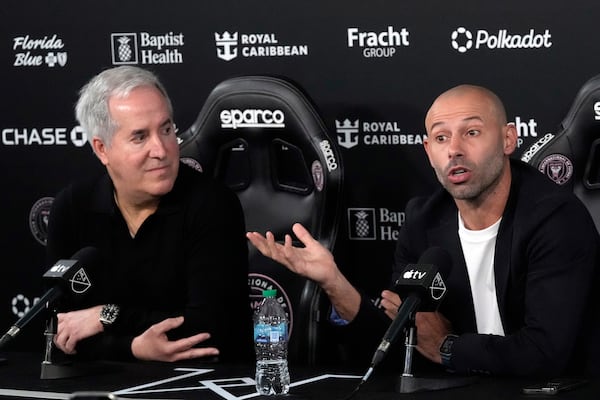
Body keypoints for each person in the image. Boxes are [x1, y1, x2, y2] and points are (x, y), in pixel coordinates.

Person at [247, 84, 600, 376]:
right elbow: (397, 341)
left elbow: (545, 354)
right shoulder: (424, 220)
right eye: (442, 138)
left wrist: (447, 347)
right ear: (429, 152)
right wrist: (334, 282)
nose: (455, 150)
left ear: (509, 140)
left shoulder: (554, 218)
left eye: (472, 132)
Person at [46, 65, 252, 362]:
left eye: (166, 129)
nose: (162, 149)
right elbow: (60, 331)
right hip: (103, 384)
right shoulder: (72, 207)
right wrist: (132, 347)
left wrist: (106, 317)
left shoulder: (212, 204)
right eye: (140, 137)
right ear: (102, 149)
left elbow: (208, 329)